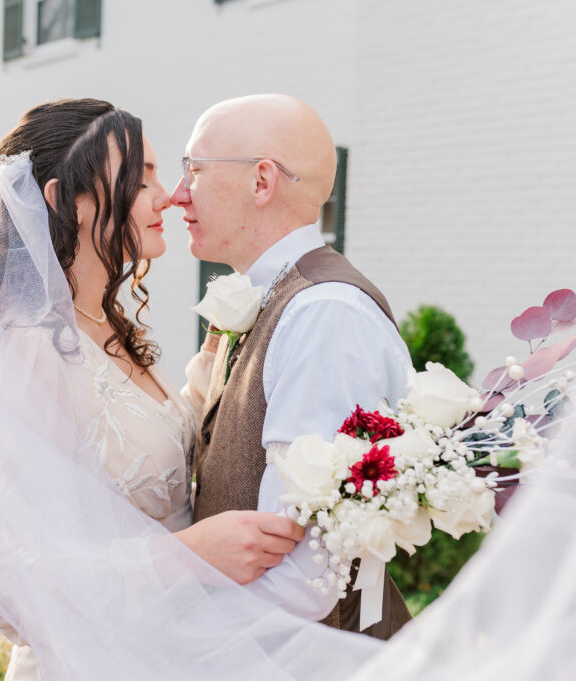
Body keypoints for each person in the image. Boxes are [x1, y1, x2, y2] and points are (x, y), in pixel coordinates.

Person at [0, 98, 308, 681]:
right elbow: (18, 585)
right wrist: (190, 555)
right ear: (63, 199)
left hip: (170, 648)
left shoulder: (98, 325)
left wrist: (224, 352)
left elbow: (144, 449)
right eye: (140, 179)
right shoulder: (28, 348)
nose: (168, 195)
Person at [174, 94, 413, 637]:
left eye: (195, 170)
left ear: (262, 182)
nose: (177, 195)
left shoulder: (323, 314)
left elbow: (304, 577)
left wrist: (168, 629)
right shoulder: (278, 298)